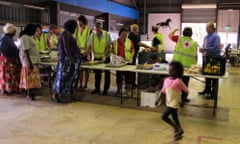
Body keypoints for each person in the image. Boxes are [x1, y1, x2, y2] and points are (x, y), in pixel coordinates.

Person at [155, 61, 189, 141]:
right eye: (169, 69)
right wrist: (158, 99)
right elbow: (163, 91)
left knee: (164, 117)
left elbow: (186, 91)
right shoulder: (166, 80)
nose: (170, 71)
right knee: (175, 117)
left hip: (174, 103)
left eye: (172, 70)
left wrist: (183, 101)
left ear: (178, 72)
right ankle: (179, 130)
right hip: (169, 102)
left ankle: (177, 128)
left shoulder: (178, 81)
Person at [52, 19, 82, 103]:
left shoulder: (66, 33)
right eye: (75, 27)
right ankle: (57, 95)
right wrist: (71, 59)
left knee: (69, 79)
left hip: (68, 59)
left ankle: (68, 95)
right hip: (67, 60)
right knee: (64, 78)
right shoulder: (66, 33)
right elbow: (66, 47)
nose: (76, 29)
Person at [169, 27, 198, 106]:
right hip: (187, 67)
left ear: (183, 33)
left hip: (177, 65)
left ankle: (173, 99)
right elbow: (196, 55)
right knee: (185, 83)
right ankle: (183, 99)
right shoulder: (194, 43)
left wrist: (175, 30)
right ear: (191, 34)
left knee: (176, 82)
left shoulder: (179, 39)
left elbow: (170, 35)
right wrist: (195, 65)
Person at [18, 23, 42, 100]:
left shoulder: (28, 37)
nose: (35, 32)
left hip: (33, 60)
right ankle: (29, 93)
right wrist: (30, 63)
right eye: (34, 30)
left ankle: (31, 92)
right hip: (29, 62)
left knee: (32, 78)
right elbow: (26, 51)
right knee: (29, 78)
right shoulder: (25, 38)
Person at [198, 22, 221, 99]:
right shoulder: (205, 37)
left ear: (212, 28)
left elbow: (216, 48)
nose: (206, 29)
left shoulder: (216, 37)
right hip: (206, 57)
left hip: (214, 58)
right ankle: (207, 90)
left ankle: (213, 93)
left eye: (208, 27)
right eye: (206, 27)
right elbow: (204, 46)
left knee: (213, 76)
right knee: (206, 75)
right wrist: (202, 50)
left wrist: (205, 49)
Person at [89, 22, 112, 95]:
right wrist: (88, 55)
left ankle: (106, 89)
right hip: (96, 57)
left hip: (106, 57)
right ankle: (97, 88)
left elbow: (108, 46)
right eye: (96, 29)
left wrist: (105, 55)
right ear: (95, 29)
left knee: (107, 74)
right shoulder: (92, 35)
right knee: (97, 74)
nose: (98, 31)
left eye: (99, 29)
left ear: (101, 28)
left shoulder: (106, 34)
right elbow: (90, 46)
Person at [111, 27, 135, 96]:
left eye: (126, 35)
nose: (124, 36)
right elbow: (112, 50)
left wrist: (131, 57)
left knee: (129, 78)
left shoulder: (129, 41)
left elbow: (133, 50)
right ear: (120, 34)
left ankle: (129, 91)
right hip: (119, 63)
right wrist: (114, 57)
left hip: (127, 63)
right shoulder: (115, 42)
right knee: (119, 78)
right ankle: (118, 91)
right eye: (123, 35)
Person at [0, 23, 20, 95]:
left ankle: (10, 88)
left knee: (11, 75)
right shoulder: (5, 38)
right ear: (11, 32)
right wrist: (9, 58)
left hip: (10, 58)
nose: (15, 33)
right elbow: (2, 49)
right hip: (7, 59)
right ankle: (7, 89)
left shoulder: (9, 38)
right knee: (7, 75)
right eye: (14, 32)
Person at [75, 15, 92, 91]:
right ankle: (80, 84)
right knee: (80, 70)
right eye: (78, 24)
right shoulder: (76, 30)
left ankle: (85, 85)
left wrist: (87, 53)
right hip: (78, 52)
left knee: (86, 69)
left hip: (86, 52)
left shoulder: (89, 30)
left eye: (80, 24)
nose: (79, 25)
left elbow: (90, 44)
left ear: (84, 23)